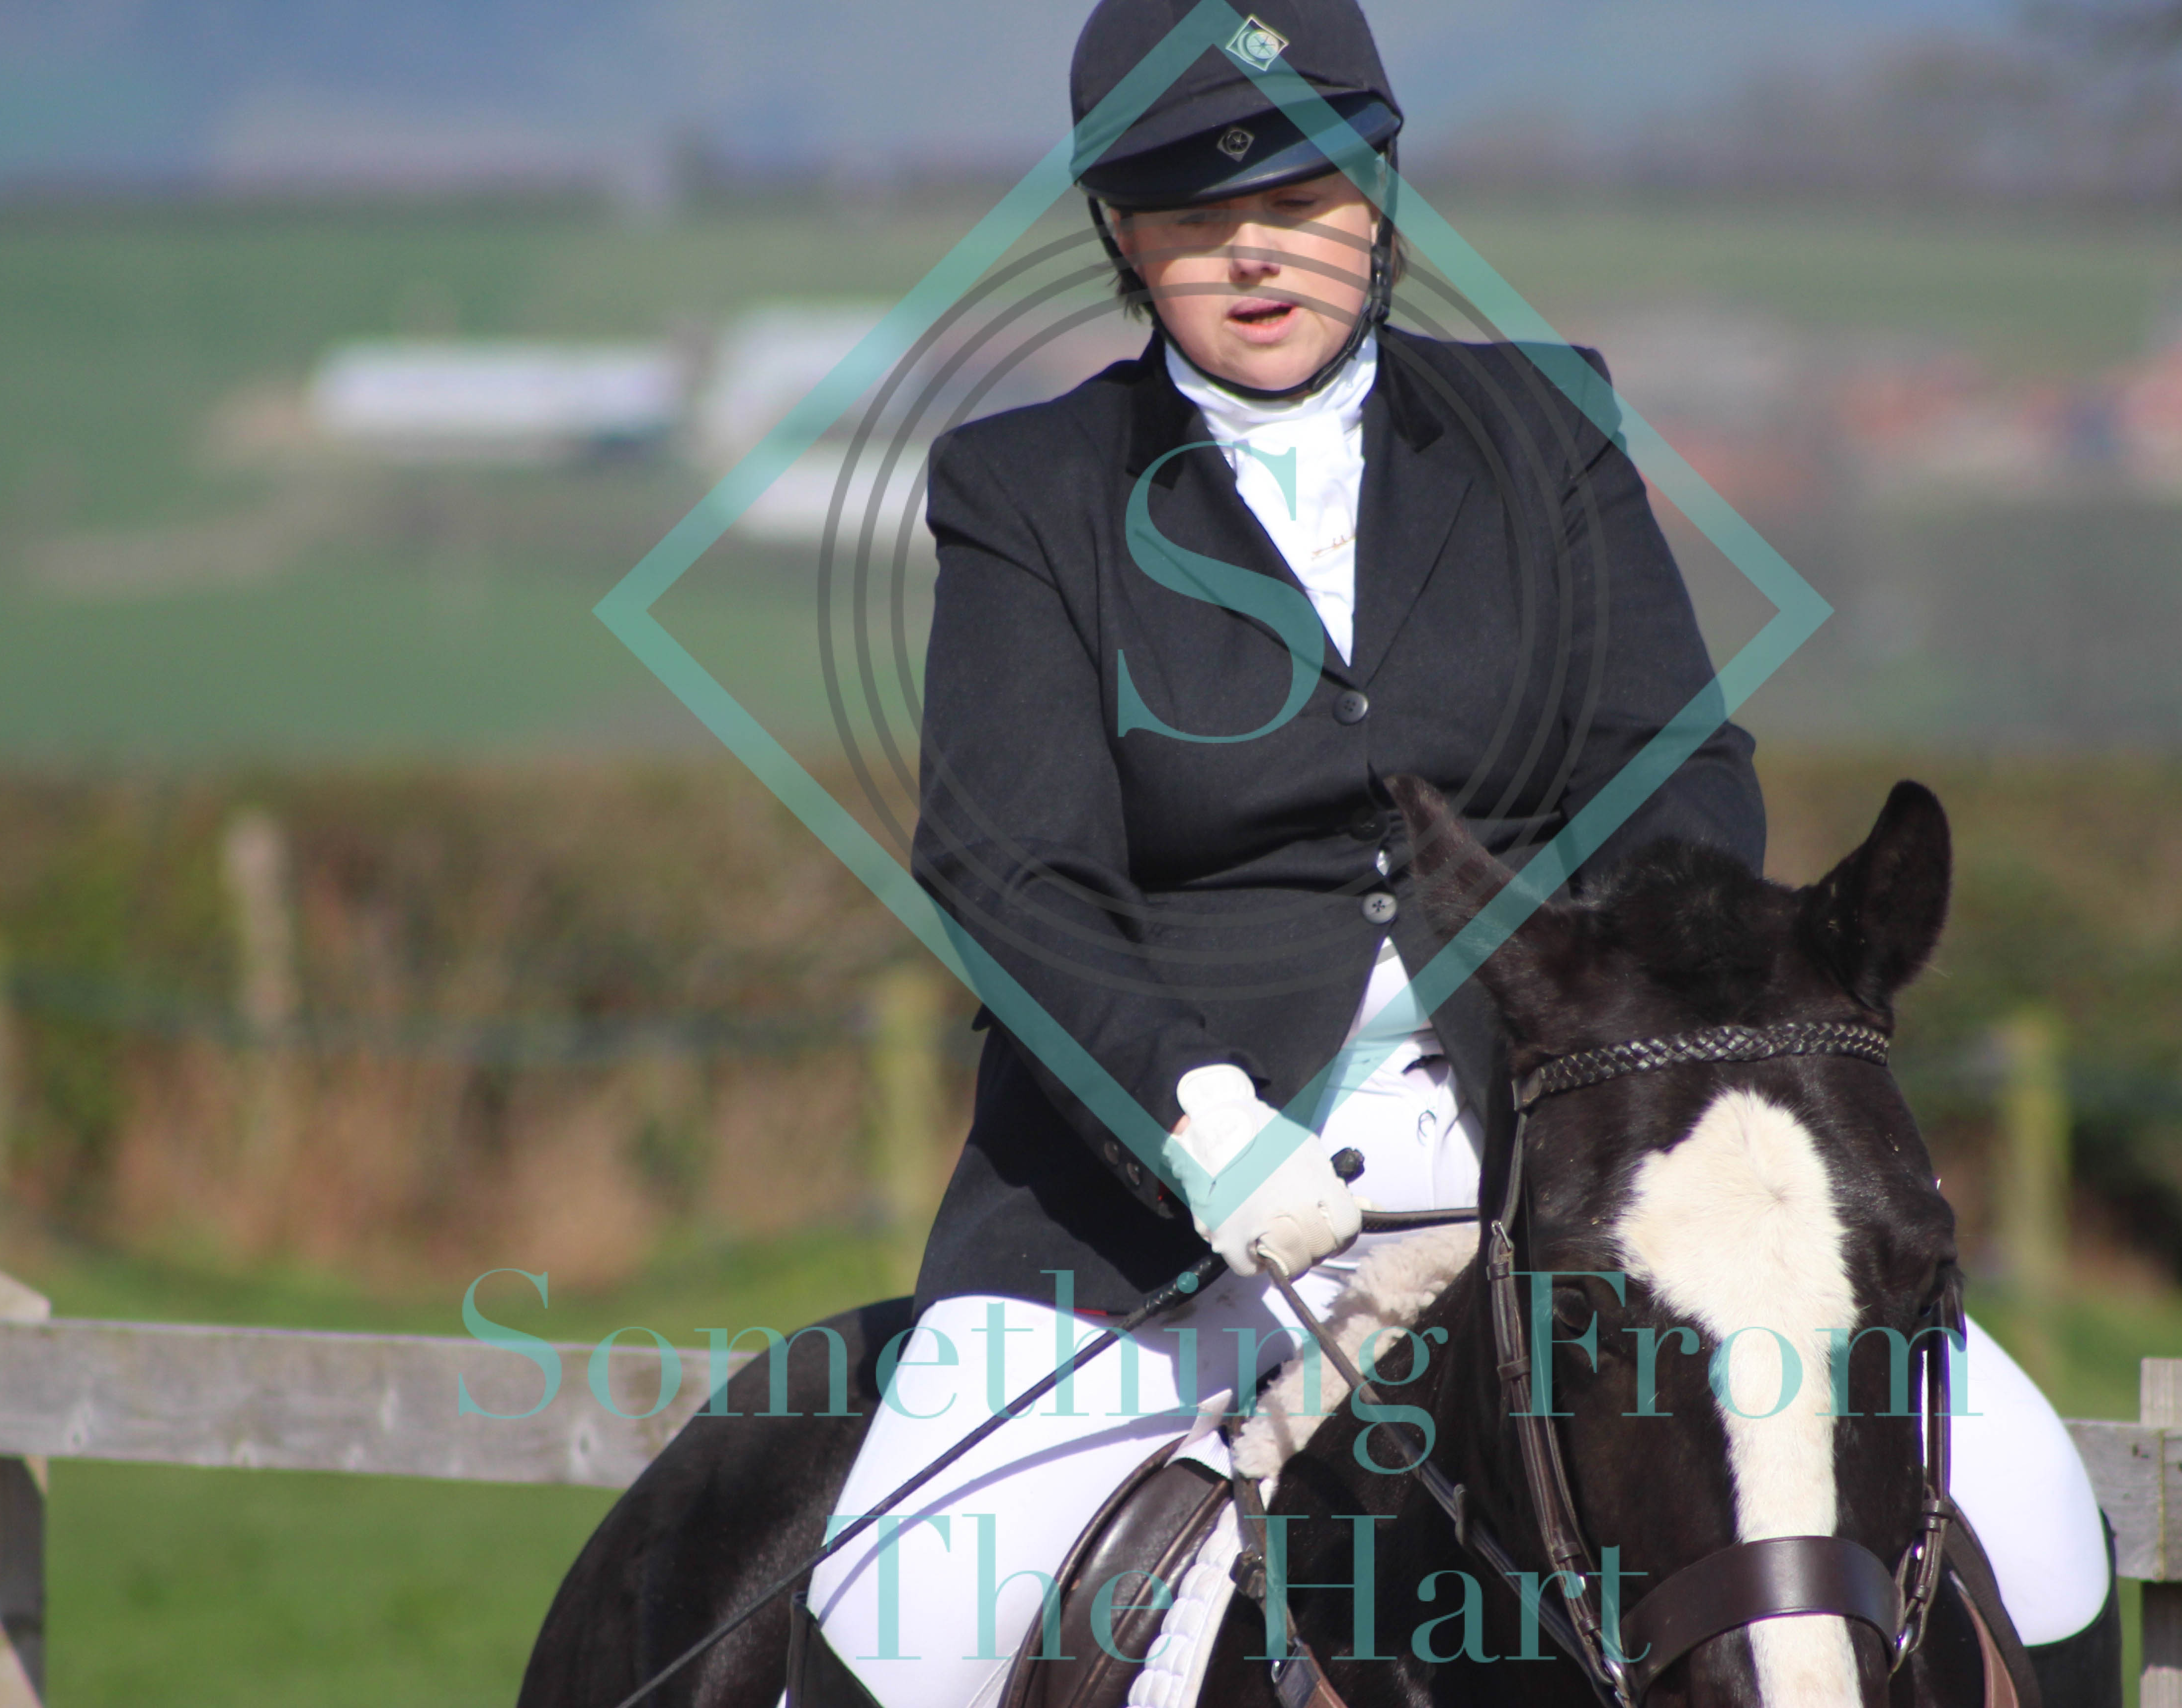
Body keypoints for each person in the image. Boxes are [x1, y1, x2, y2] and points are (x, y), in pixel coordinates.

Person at [811, 3, 2114, 1703]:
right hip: (1159, 1225)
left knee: (2031, 1505)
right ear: (1122, 238)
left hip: (1571, 1178)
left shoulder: (1546, 429)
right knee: (913, 1608)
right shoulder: (1027, 489)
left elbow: (1670, 768)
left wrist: (1645, 1051)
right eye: (1196, 214)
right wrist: (1197, 1123)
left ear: (1377, 201)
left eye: (1303, 196)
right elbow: (1011, 871)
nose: (1257, 252)